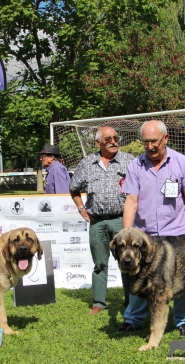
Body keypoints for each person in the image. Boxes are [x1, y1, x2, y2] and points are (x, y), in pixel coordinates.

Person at [119, 120, 185, 336]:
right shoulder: (135, 166)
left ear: (165, 138)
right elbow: (131, 201)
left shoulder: (182, 163)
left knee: (182, 279)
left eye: (154, 141)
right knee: (138, 277)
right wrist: (127, 234)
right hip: (146, 237)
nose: (150, 146)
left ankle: (184, 320)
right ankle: (134, 319)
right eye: (145, 141)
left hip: (178, 235)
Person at [69, 126, 134, 314]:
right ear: (98, 143)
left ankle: (132, 302)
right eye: (108, 139)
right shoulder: (87, 163)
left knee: (127, 262)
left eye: (116, 137)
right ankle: (99, 303)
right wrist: (81, 208)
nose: (113, 141)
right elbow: (74, 188)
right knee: (100, 264)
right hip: (97, 222)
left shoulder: (129, 161)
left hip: (122, 221)